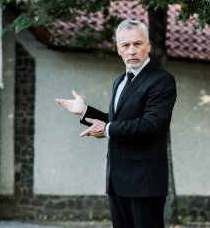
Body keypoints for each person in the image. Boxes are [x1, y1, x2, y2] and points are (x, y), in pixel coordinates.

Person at [55, 19, 177, 228]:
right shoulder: (119, 81)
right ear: (118, 49)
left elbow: (150, 125)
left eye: (137, 44)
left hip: (145, 182)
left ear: (148, 45)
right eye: (125, 45)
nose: (131, 50)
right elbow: (117, 122)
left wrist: (107, 129)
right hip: (117, 179)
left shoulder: (162, 80)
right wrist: (84, 111)